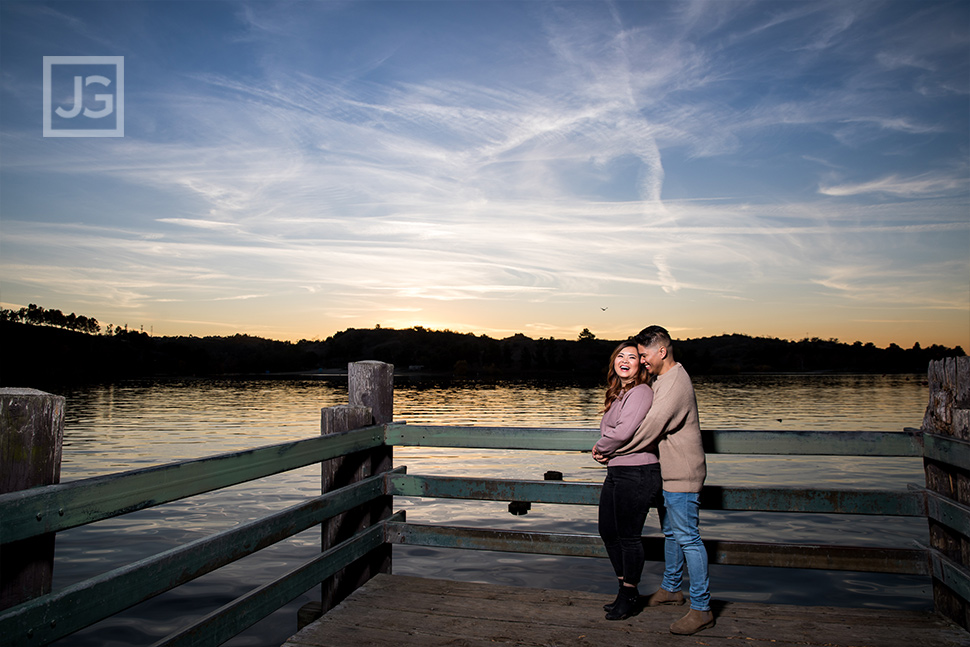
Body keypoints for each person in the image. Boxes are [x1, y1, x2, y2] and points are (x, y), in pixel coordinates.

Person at [594, 325, 714, 635]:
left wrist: (611, 452)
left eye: (644, 355)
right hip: (667, 470)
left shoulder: (673, 384)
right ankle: (671, 589)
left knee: (688, 537)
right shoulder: (663, 380)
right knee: (672, 534)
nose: (642, 361)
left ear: (662, 351)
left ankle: (702, 608)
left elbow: (647, 430)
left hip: (683, 473)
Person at [591, 340, 662, 621]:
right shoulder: (620, 394)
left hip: (638, 471)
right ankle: (624, 589)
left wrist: (600, 448)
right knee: (608, 531)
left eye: (631, 357)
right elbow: (619, 434)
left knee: (628, 537)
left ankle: (630, 594)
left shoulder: (641, 392)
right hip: (618, 470)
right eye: (620, 355)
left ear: (640, 364)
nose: (624, 360)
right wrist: (608, 451)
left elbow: (623, 433)